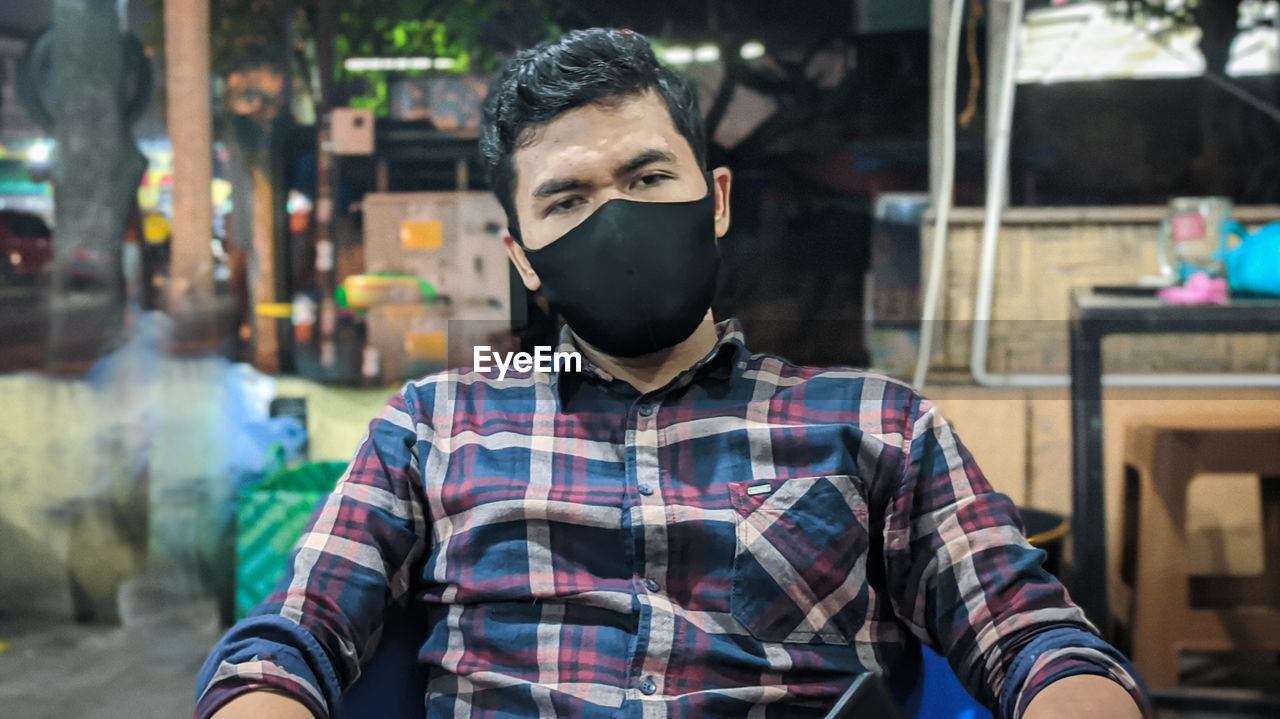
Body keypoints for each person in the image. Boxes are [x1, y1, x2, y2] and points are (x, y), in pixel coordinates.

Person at [195, 28, 1150, 719]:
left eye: (648, 178)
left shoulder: (879, 426)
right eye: (567, 198)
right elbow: (291, 637)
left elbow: (1033, 636)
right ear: (523, 257)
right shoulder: (434, 428)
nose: (615, 218)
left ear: (714, 197)